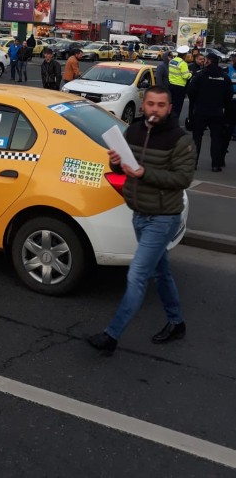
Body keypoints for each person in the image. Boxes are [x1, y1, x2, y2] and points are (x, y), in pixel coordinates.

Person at [87, 86, 196, 355]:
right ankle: (176, 322)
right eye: (150, 104)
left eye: (161, 105)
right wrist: (114, 162)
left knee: (137, 275)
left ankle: (111, 337)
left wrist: (143, 172)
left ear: (170, 108)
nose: (155, 109)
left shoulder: (180, 139)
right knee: (161, 272)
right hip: (139, 213)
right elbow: (121, 166)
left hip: (163, 218)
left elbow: (183, 180)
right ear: (143, 105)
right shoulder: (133, 130)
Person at [187, 51, 233, 172]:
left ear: (209, 61)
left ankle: (193, 164)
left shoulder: (200, 75)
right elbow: (229, 97)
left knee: (197, 138)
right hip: (217, 112)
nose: (204, 61)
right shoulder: (224, 77)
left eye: (206, 60)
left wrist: (196, 103)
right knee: (216, 138)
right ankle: (216, 165)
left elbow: (191, 91)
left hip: (201, 111)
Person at [168, 45, 192, 119]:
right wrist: (191, 74)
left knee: (170, 104)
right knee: (177, 106)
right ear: (184, 55)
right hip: (180, 87)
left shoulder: (172, 61)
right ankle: (174, 121)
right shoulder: (183, 63)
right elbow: (185, 76)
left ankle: (168, 119)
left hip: (171, 85)